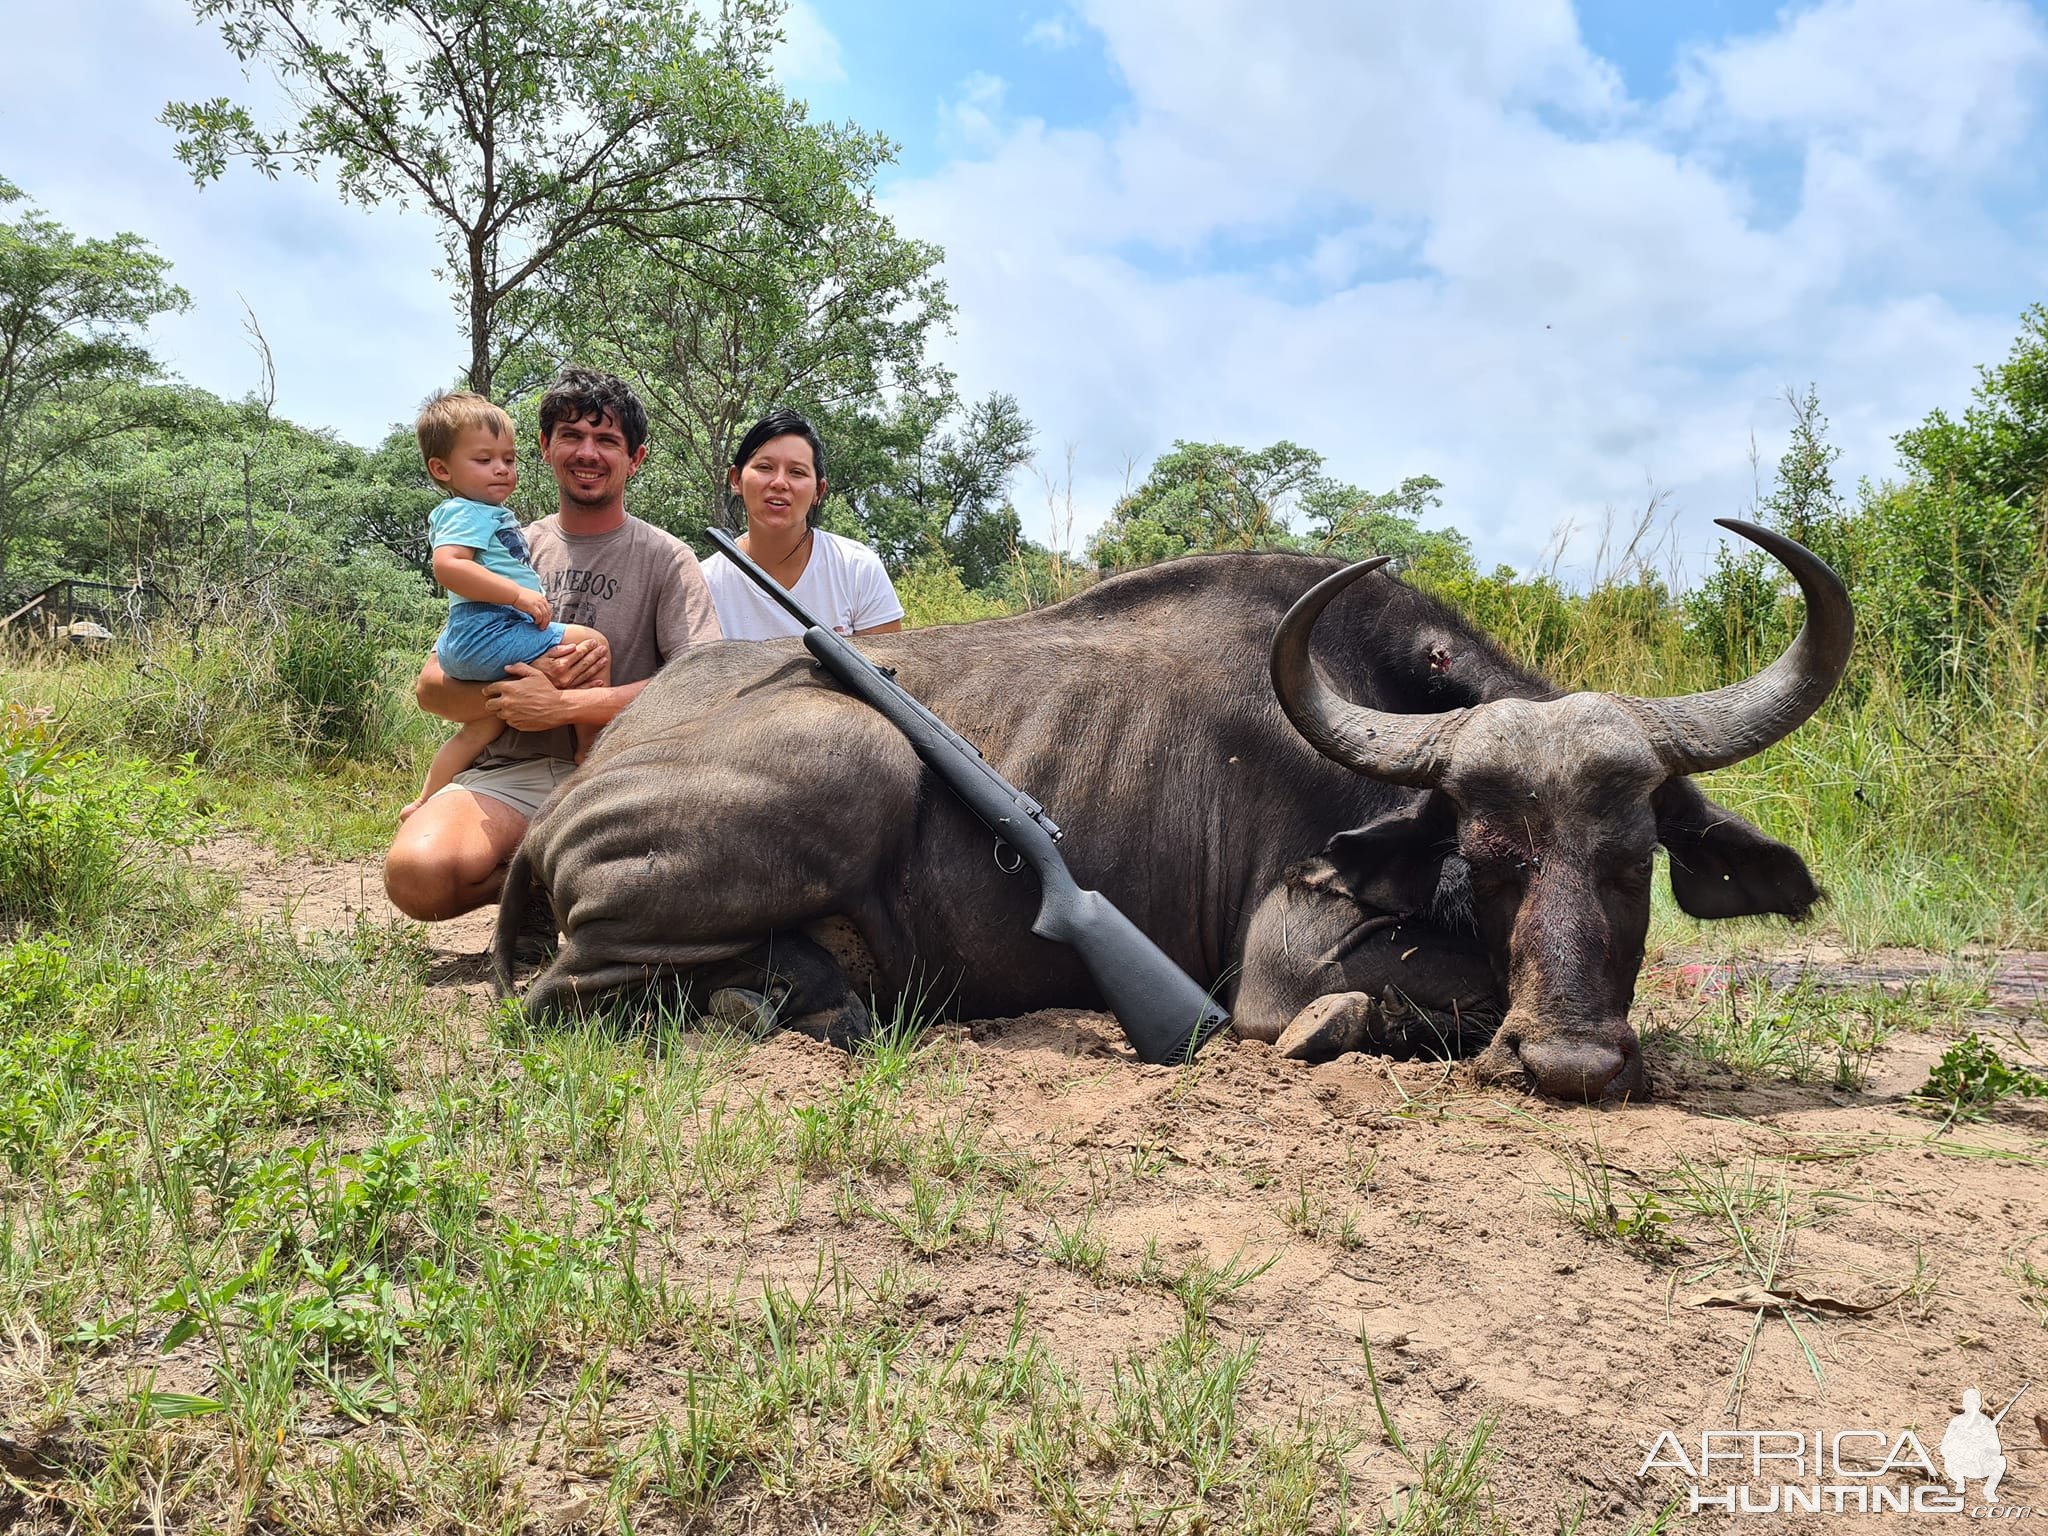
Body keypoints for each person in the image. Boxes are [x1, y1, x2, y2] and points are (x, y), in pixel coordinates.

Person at [383, 368, 722, 923]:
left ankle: (565, 884)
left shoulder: (667, 558)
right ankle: (536, 889)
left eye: (607, 440)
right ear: (545, 448)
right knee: (417, 877)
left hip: (617, 771)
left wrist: (564, 706)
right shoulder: (503, 545)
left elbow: (700, 687)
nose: (588, 452)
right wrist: (513, 697)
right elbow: (432, 690)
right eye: (572, 436)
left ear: (634, 459)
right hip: (511, 769)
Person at [401, 390, 610, 821]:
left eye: (508, 460)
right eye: (484, 460)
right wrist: (518, 595)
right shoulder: (467, 511)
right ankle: (589, 753)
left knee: (480, 728)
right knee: (591, 643)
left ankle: (423, 801)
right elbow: (447, 566)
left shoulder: (482, 513)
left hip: (470, 637)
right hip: (487, 625)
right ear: (441, 469)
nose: (501, 469)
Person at [699, 409, 905, 639]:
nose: (779, 483)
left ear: (819, 491)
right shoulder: (704, 583)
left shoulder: (857, 569)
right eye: (765, 467)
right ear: (736, 480)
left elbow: (885, 669)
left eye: (796, 472)